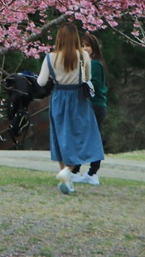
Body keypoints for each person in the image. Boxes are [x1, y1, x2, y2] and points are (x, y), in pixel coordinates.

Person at [36, 23, 104, 194]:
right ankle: (67, 172)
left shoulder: (50, 57)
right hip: (78, 99)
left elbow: (41, 82)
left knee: (61, 137)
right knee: (81, 136)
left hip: (59, 98)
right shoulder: (83, 56)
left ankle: (65, 174)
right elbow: (87, 78)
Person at [70, 33, 109, 185]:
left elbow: (94, 86)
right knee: (87, 139)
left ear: (94, 48)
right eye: (82, 45)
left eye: (88, 45)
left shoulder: (95, 65)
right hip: (92, 106)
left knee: (86, 139)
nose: (84, 48)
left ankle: (88, 172)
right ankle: (84, 172)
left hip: (94, 106)